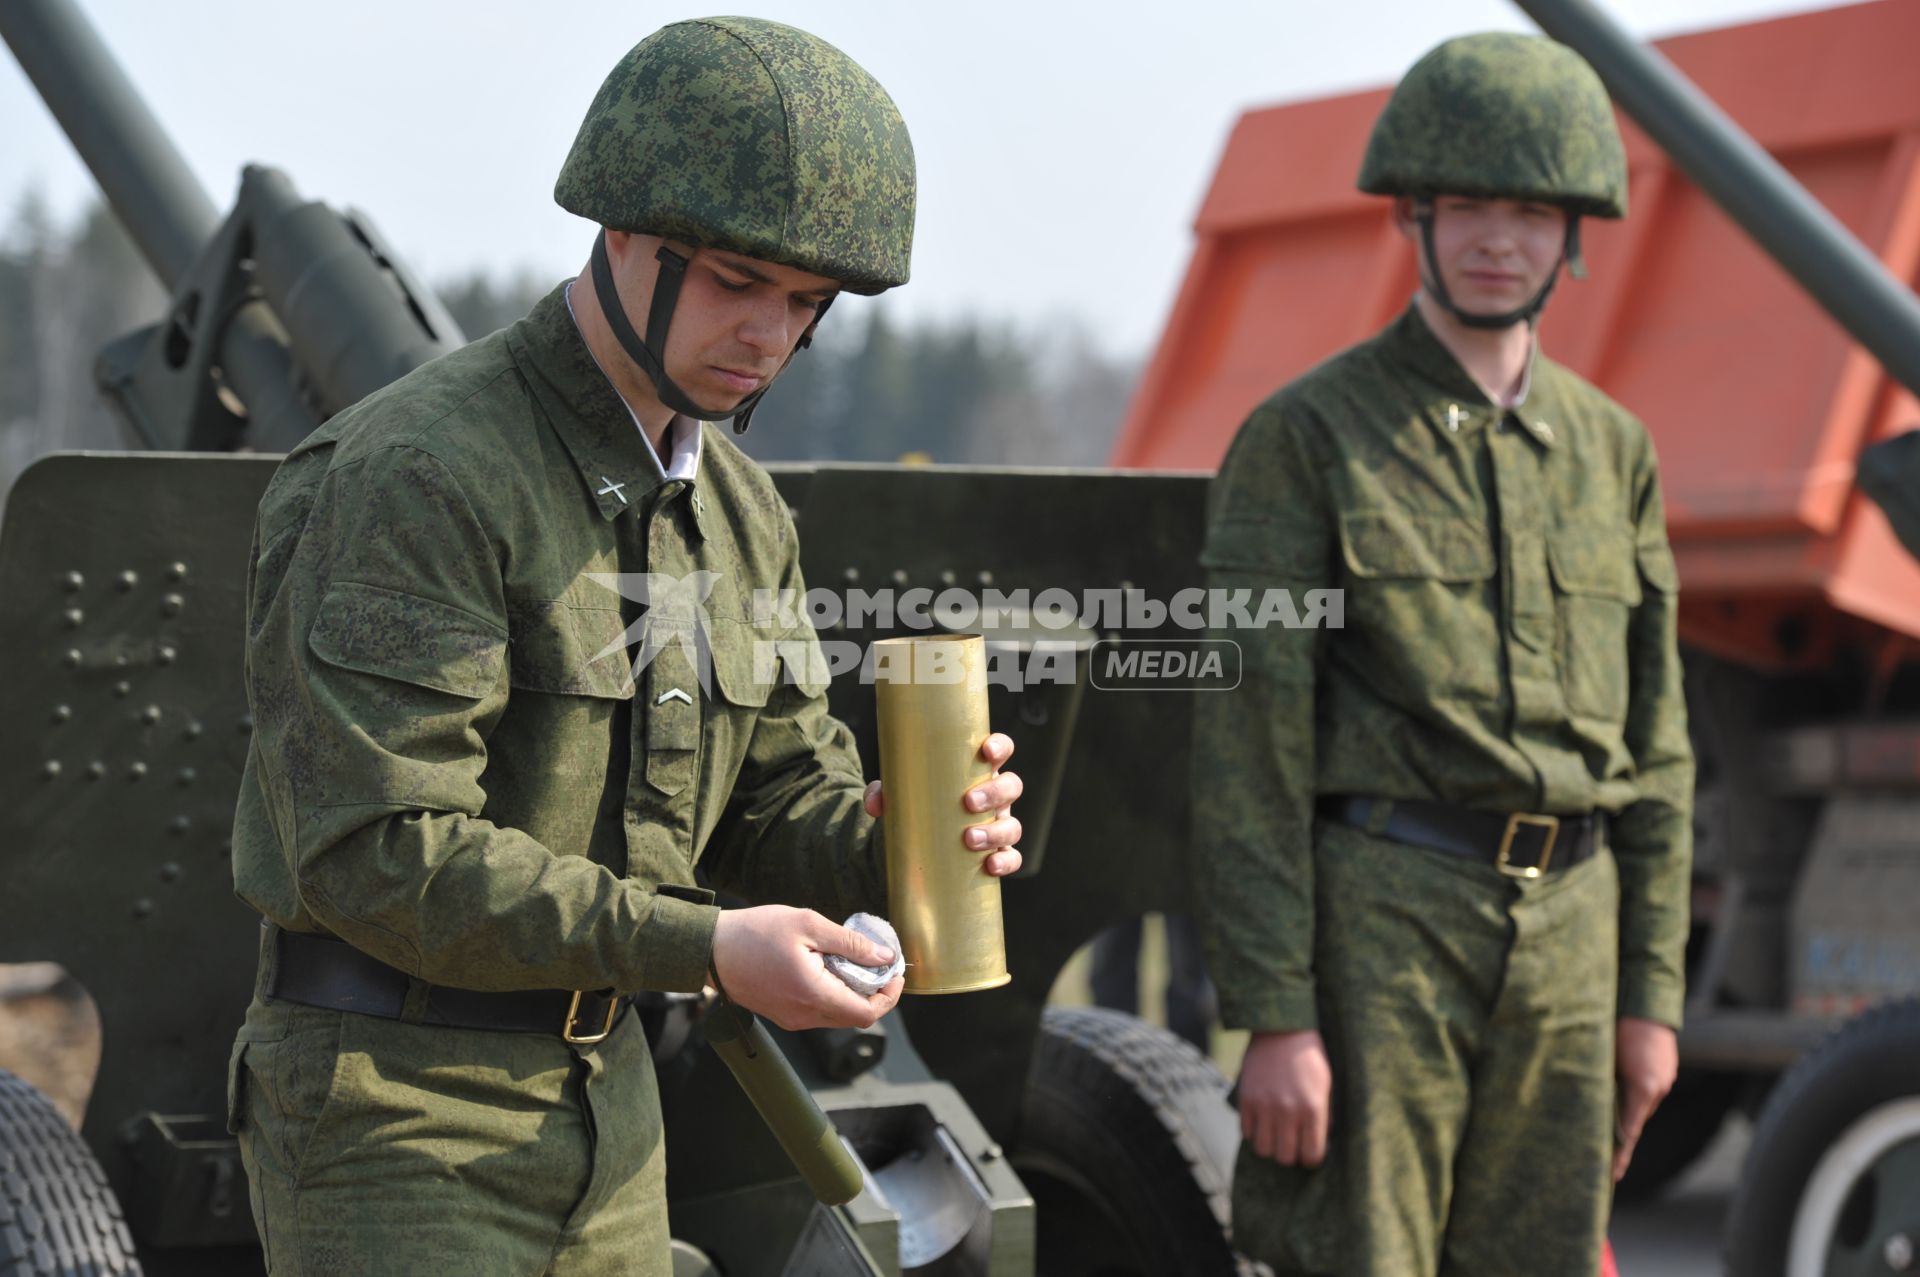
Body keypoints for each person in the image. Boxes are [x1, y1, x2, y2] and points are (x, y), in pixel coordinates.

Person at [224, 17, 1024, 1275]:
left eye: (806, 301)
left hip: (611, 1110)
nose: (769, 333)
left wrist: (899, 833)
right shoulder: (419, 473)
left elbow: (776, 800)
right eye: (733, 280)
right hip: (399, 1115)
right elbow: (376, 850)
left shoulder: (743, 516)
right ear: (623, 237)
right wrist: (704, 946)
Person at [1193, 32, 1693, 1277]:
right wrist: (1276, 1013)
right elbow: (1251, 740)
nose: (1495, 239)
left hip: (1576, 938)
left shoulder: (1613, 450)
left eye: (1529, 210)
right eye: (1467, 205)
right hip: (1385, 933)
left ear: (1571, 233)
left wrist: (1649, 998)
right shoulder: (1308, 435)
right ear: (1416, 215)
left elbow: (1659, 745)